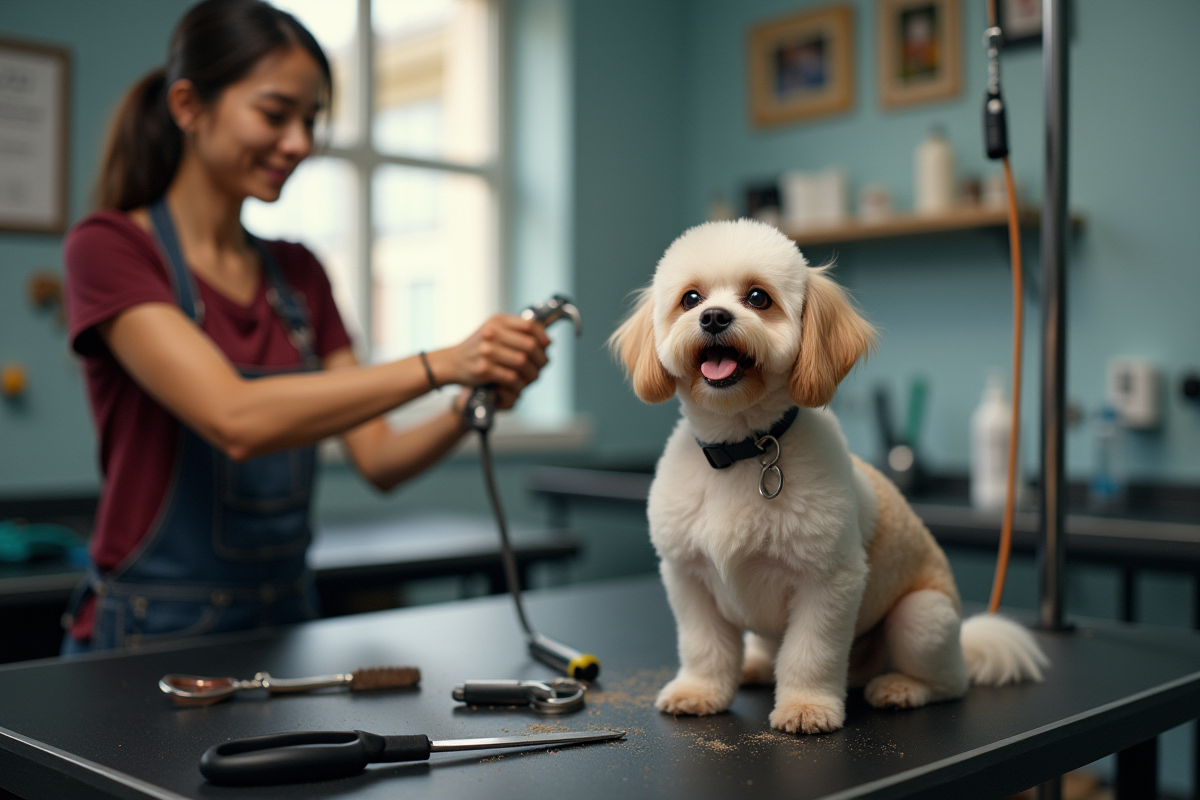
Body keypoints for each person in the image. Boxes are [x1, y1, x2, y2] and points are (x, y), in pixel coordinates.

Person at [60, 0, 549, 654]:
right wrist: (445, 362)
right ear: (188, 106)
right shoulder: (111, 248)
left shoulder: (299, 273)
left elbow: (377, 458)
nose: (299, 142)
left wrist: (470, 401)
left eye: (312, 120)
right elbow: (234, 416)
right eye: (274, 113)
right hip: (151, 632)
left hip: (288, 619)